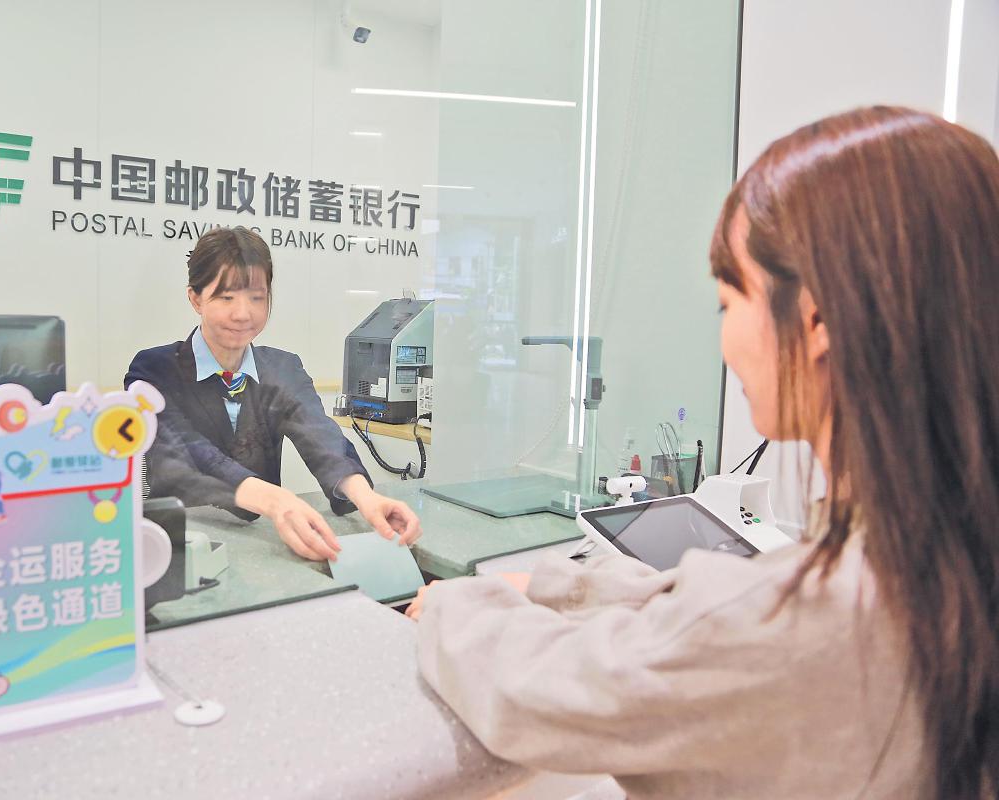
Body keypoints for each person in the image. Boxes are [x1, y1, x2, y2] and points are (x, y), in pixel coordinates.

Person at [406, 107, 999, 799]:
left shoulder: (829, 615)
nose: (725, 341)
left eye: (728, 301)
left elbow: (538, 691)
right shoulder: (948, 561)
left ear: (818, 318)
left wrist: (454, 607)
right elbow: (718, 620)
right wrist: (558, 588)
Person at [126, 226, 421, 561]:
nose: (243, 313)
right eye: (226, 297)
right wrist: (278, 501)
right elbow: (186, 455)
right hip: (180, 547)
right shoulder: (155, 370)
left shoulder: (282, 368)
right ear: (195, 298)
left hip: (262, 545)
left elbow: (321, 437)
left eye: (257, 297)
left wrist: (367, 498)